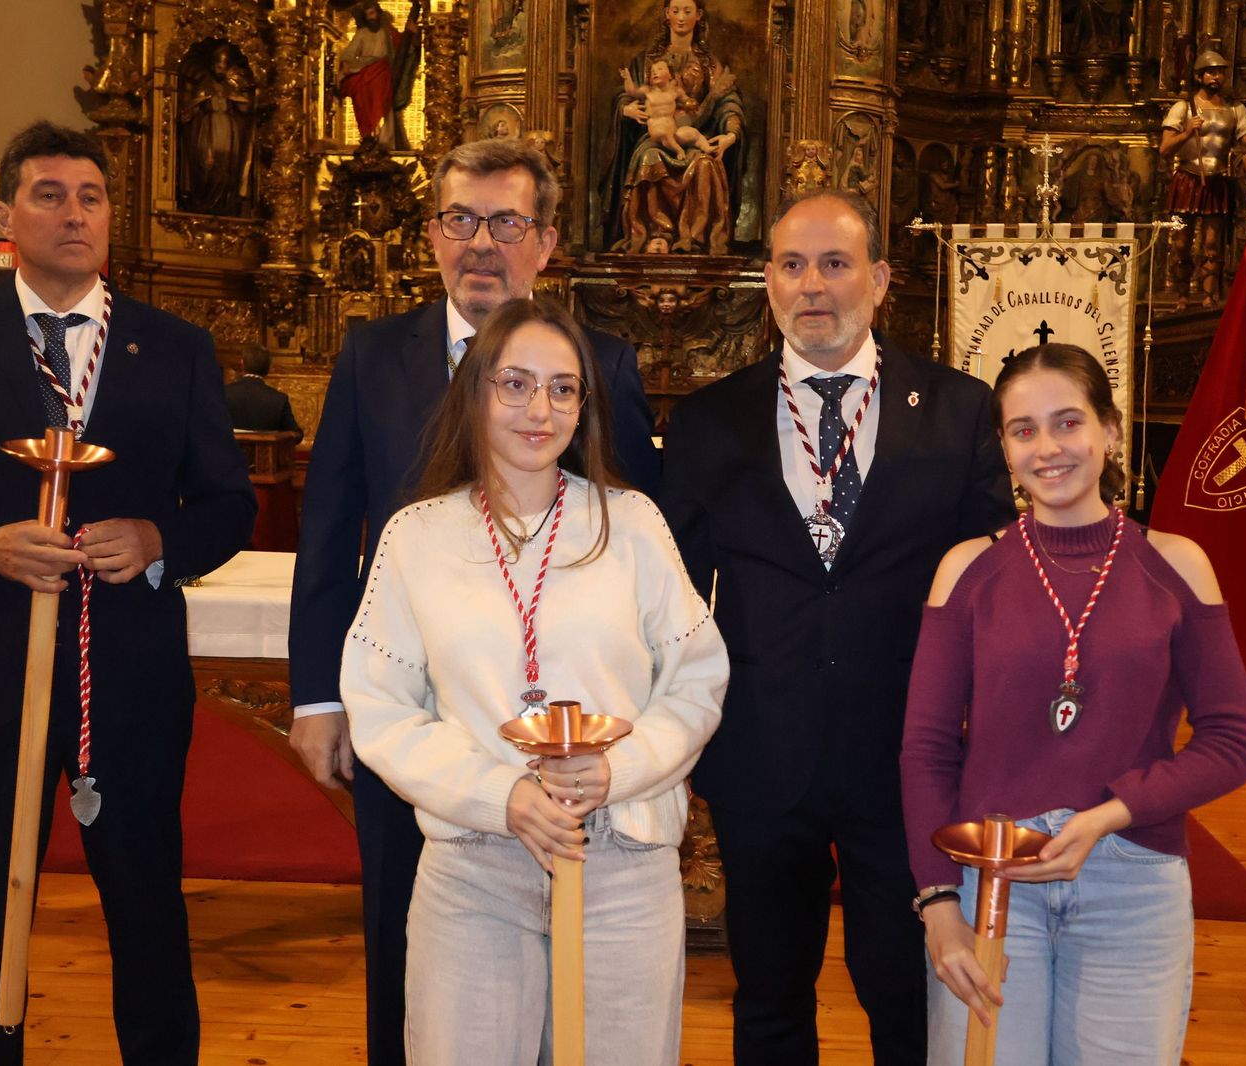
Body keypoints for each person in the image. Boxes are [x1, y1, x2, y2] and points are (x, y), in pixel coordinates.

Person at [0, 121, 256, 1064]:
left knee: (148, 906)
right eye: (50, 195)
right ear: (5, 217)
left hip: (132, 682)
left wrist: (157, 539)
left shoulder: (173, 347)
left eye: (91, 197)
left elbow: (229, 506)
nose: (74, 214)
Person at [288, 136, 659, 1066]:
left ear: (546, 242)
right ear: (432, 235)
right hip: (418, 714)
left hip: (565, 733)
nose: (482, 243)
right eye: (462, 221)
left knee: (571, 969)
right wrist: (319, 697)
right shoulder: (374, 354)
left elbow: (641, 538)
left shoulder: (602, 362)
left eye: (508, 222)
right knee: (402, 938)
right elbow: (330, 534)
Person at [660, 188, 1014, 1065]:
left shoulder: (964, 411)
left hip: (907, 763)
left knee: (904, 993)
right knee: (769, 996)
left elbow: (998, 592)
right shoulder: (709, 421)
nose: (812, 285)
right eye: (791, 265)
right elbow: (662, 598)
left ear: (880, 278)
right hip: (760, 758)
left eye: (835, 263)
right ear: (767, 282)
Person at [339, 296, 726, 1063]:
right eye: (515, 384)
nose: (538, 409)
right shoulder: (416, 537)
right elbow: (381, 710)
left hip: (620, 859)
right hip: (475, 867)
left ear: (584, 407)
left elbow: (696, 679)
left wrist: (617, 770)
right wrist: (501, 794)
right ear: (475, 392)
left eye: (562, 388)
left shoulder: (633, 524)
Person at [901, 343, 1246, 1065]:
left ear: (1111, 432)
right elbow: (927, 751)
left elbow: (1232, 741)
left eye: (1068, 422)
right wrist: (939, 905)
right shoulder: (967, 570)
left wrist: (1109, 814)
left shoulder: (1176, 564)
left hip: (1132, 878)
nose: (1048, 448)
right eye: (1023, 429)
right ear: (1003, 446)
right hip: (994, 876)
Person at [601, 0, 748, 253]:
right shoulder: (646, 62)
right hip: (655, 138)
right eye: (676, 11)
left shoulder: (710, 65)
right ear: (667, 14)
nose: (681, 17)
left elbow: (728, 103)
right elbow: (627, 94)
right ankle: (654, 234)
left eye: (687, 11)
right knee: (649, 158)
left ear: (698, 16)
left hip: (692, 136)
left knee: (704, 165)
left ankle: (693, 238)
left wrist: (730, 135)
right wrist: (626, 108)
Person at [1159, 50, 1246, 308]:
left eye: (1220, 71)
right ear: (1199, 75)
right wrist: (1187, 133)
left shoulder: (1234, 110)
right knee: (1181, 243)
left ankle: (1208, 296)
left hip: (1216, 180)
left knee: (1212, 243)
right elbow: (1165, 148)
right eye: (1211, 71)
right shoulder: (1183, 108)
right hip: (1187, 178)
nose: (1216, 76)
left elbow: (1245, 149)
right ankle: (1182, 296)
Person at [177, 43, 255, 215]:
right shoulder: (203, 85)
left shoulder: (231, 86)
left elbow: (245, 110)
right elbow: (190, 108)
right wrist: (193, 109)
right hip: (208, 130)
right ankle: (202, 201)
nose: (220, 69)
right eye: (218, 65)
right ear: (212, 66)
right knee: (206, 164)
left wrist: (243, 102)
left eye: (224, 66)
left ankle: (223, 204)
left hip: (228, 132)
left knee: (227, 166)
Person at [338, 0, 423, 148]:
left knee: (381, 104)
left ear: (378, 13)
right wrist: (346, 65)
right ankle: (368, 138)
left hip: (381, 73)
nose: (371, 17)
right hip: (364, 73)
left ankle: (383, 142)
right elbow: (349, 53)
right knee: (363, 104)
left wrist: (413, 34)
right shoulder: (362, 33)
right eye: (367, 15)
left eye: (372, 13)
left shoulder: (388, 32)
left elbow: (405, 48)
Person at [619, 61, 718, 157]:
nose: (654, 72)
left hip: (673, 131)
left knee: (693, 133)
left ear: (670, 75)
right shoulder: (647, 91)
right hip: (657, 130)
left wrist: (691, 103)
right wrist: (627, 77)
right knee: (664, 134)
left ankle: (707, 148)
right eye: (652, 71)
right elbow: (631, 91)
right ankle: (679, 151)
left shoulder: (674, 91)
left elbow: (687, 100)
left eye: (659, 69)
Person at [225, 343, 303, 434]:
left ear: (242, 363)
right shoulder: (279, 399)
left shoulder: (225, 393)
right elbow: (295, 434)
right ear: (268, 368)